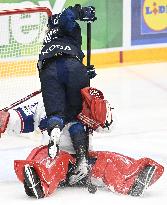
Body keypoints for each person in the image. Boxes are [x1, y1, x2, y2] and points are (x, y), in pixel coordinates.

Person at [37, 4, 97, 183]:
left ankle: (54, 131)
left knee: (55, 114)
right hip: (73, 67)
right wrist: (81, 11)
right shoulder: (65, 25)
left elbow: (54, 62)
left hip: (48, 71)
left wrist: (85, 71)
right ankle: (81, 158)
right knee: (76, 117)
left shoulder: (48, 37)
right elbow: (67, 16)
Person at [14, 145, 164, 199]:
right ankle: (39, 185)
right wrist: (8, 119)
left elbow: (107, 124)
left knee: (109, 159)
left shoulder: (86, 103)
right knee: (48, 162)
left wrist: (104, 112)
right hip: (56, 157)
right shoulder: (46, 104)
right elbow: (21, 120)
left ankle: (132, 181)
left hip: (84, 161)